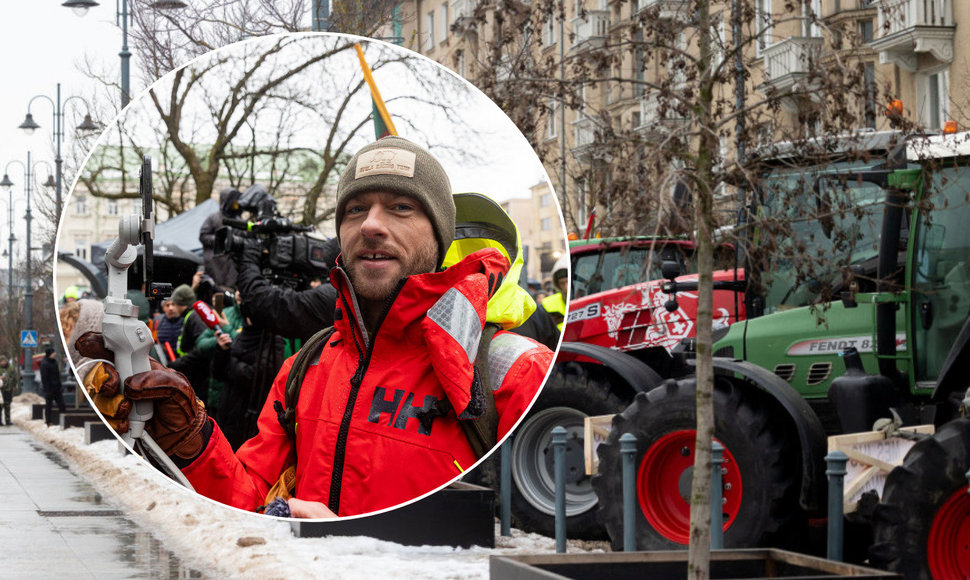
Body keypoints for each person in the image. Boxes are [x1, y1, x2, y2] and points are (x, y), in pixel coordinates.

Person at [80, 135, 552, 518]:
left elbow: (532, 547)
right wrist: (190, 440)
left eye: (401, 208)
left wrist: (354, 548)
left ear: (440, 236)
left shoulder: (515, 373)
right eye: (355, 209)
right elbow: (246, 502)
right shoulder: (306, 367)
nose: (371, 224)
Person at [40, 348, 65, 426]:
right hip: (49, 389)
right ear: (50, 354)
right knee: (49, 406)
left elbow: (57, 376)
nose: (55, 354)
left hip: (57, 388)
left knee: (62, 405)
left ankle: (63, 421)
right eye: (53, 352)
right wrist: (47, 390)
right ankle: (48, 421)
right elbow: (44, 378)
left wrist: (60, 386)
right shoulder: (44, 364)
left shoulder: (54, 362)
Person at [0, 356, 19, 426]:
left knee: (7, 405)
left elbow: (15, 377)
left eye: (4, 361)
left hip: (8, 389)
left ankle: (8, 420)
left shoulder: (11, 368)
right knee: (0, 405)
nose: (3, 362)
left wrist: (14, 386)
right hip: (0, 390)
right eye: (2, 361)